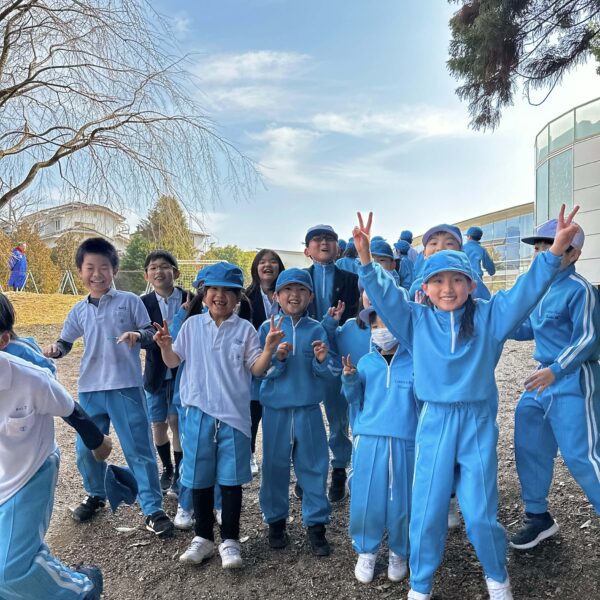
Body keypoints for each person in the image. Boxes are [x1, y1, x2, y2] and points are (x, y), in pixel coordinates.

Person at [353, 206, 581, 600]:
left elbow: (525, 291)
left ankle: (497, 577)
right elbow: (386, 299)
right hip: (434, 422)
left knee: (479, 512)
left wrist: (554, 252)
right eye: (438, 280)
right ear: (425, 288)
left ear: (472, 284)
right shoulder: (415, 322)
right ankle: (420, 584)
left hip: (476, 424)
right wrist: (366, 261)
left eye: (457, 279)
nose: (448, 288)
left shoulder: (491, 317)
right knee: (427, 510)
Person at [154, 262, 284, 569]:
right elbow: (173, 361)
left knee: (230, 481)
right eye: (213, 289)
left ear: (238, 297)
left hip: (234, 418)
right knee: (199, 480)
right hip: (197, 414)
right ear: (204, 293)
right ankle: (203, 538)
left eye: (228, 290)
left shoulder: (245, 329)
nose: (219, 296)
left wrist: (268, 349)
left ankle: (230, 541)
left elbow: (256, 369)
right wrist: (165, 347)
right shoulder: (191, 326)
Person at [43, 237, 174, 537]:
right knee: (86, 449)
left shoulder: (130, 301)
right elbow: (66, 341)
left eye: (104, 267)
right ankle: (96, 494)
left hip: (126, 386)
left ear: (114, 269)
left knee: (138, 449)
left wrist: (137, 336)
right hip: (90, 389)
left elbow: (148, 332)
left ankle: (153, 509)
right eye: (90, 267)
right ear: (80, 271)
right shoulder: (79, 310)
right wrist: (55, 350)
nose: (97, 274)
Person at [0, 295, 112, 600]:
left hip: (30, 472)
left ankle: (82, 588)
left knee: (11, 568)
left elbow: (70, 409)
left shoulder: (30, 378)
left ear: (3, 340)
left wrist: (97, 441)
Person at [510, 219, 600, 551]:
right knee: (529, 441)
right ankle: (538, 517)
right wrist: (497, 322)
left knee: (582, 454)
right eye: (538, 248)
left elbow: (587, 338)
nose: (541, 254)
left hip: (575, 377)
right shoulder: (541, 288)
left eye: (551, 247)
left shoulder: (581, 290)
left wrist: (558, 369)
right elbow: (528, 329)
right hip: (542, 378)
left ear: (574, 254)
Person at [258, 268, 340, 556]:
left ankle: (316, 526)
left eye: (302, 290)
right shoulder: (267, 329)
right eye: (288, 290)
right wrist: (277, 358)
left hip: (308, 410)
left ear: (311, 296)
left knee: (314, 467)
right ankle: (276, 522)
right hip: (275, 411)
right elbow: (259, 372)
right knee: (273, 467)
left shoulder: (316, 329)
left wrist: (321, 360)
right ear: (276, 296)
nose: (295, 295)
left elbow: (329, 373)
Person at [342, 306, 417, 584]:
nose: (380, 331)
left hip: (404, 439)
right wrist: (349, 378)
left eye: (385, 325)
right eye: (374, 327)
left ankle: (400, 550)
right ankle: (366, 550)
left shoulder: (415, 361)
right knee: (366, 497)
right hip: (369, 438)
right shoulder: (365, 363)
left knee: (402, 499)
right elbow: (353, 400)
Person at [304, 224, 360, 501]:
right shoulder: (300, 279)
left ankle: (339, 467)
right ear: (307, 250)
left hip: (339, 355)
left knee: (338, 416)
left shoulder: (351, 279)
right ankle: (307, 471)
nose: (324, 243)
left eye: (329, 239)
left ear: (338, 248)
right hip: (305, 356)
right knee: (305, 416)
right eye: (317, 240)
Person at [141, 250, 190, 496]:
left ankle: (181, 471)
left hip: (184, 369)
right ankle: (167, 468)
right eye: (153, 268)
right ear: (146, 275)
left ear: (176, 272)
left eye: (164, 266)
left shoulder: (191, 299)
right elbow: (141, 335)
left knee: (176, 420)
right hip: (155, 371)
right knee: (158, 423)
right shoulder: (142, 303)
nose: (158, 271)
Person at [245, 249, 286, 475]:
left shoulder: (288, 293)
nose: (268, 265)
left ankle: (278, 454)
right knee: (253, 411)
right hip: (255, 358)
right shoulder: (246, 296)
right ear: (256, 268)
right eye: (262, 262)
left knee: (278, 411)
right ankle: (250, 453)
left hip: (282, 359)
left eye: (273, 262)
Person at [409, 224, 490, 301]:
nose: (440, 248)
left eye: (449, 243)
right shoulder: (417, 285)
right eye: (434, 243)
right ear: (424, 253)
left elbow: (486, 305)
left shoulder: (471, 278)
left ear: (461, 252)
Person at [464, 226, 496, 293]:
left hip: (463, 278)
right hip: (477, 280)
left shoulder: (461, 248)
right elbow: (489, 266)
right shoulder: (481, 250)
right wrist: (492, 272)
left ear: (469, 236)